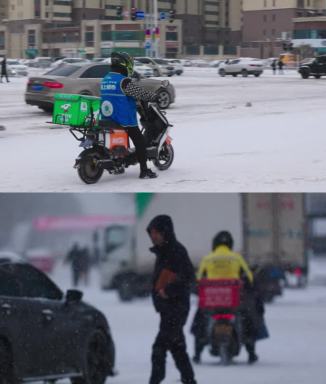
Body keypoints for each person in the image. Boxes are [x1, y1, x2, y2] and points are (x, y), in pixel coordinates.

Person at [191, 230, 262, 365]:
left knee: (199, 323)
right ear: (230, 244)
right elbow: (249, 277)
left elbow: (198, 279)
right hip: (233, 302)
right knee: (248, 321)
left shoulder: (207, 258)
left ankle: (197, 354)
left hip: (211, 302)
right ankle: (251, 353)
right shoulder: (236, 258)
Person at [147, 215, 197, 384]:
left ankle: (155, 380)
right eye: (151, 233)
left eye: (156, 232)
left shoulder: (176, 251)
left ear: (165, 232)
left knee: (158, 349)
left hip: (176, 309)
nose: (153, 236)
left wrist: (169, 290)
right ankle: (189, 380)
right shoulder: (163, 252)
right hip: (167, 309)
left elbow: (188, 276)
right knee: (177, 347)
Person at [100, 51, 159, 179]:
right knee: (140, 141)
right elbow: (141, 94)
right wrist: (155, 96)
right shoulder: (124, 81)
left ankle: (119, 163)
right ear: (126, 64)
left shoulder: (106, 79)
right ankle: (144, 170)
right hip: (124, 120)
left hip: (107, 117)